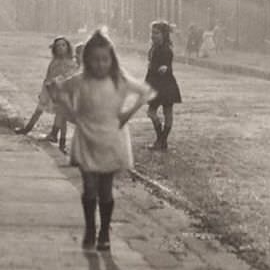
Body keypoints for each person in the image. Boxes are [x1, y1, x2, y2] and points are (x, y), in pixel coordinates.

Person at [50, 29, 150, 252]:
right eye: (95, 60)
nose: (100, 64)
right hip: (86, 137)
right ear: (87, 60)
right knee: (89, 187)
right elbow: (59, 90)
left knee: (105, 189)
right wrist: (70, 110)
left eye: (105, 59)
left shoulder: (119, 79)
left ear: (111, 59)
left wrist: (127, 113)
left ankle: (104, 231)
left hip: (111, 139)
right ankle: (90, 229)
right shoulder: (81, 80)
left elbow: (144, 92)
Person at [15, 36, 77, 151]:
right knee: (38, 110)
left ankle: (60, 142)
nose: (61, 48)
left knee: (61, 116)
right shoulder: (54, 61)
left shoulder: (71, 63)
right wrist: (45, 88)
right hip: (48, 88)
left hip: (62, 92)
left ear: (68, 47)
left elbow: (70, 78)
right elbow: (48, 75)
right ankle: (27, 128)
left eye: (63, 45)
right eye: (58, 46)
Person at [145, 20, 182, 151]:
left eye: (156, 33)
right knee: (151, 112)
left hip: (165, 85)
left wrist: (165, 68)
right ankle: (161, 140)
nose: (153, 35)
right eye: (152, 32)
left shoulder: (166, 50)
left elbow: (168, 65)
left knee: (166, 113)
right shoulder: (153, 48)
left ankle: (161, 141)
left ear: (164, 35)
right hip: (156, 85)